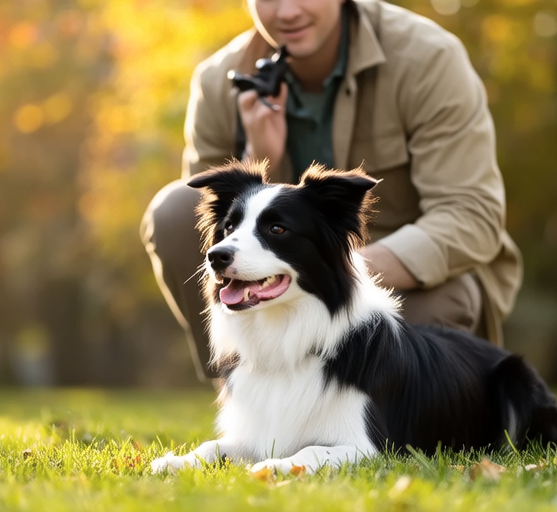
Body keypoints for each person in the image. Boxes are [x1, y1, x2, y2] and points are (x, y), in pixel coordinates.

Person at [141, 0, 522, 383]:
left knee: (438, 305)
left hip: (407, 278)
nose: (287, 12)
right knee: (176, 210)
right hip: (289, 275)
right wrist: (259, 158)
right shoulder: (217, 80)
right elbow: (211, 222)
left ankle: (401, 405)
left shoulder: (428, 58)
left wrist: (344, 269)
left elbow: (471, 213)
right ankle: (242, 382)